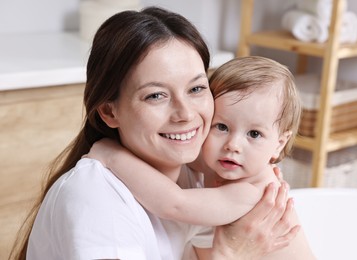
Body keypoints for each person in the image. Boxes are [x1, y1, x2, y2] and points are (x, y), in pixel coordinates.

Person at [9, 7, 299, 260]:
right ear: (110, 112)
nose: (185, 114)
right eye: (156, 96)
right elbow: (174, 203)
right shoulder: (97, 202)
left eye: (196, 89)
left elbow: (176, 203)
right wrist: (231, 255)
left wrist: (111, 153)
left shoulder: (203, 168)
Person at [86, 56, 316, 259]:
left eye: (254, 134)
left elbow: (174, 204)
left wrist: (112, 156)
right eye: (222, 126)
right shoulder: (223, 164)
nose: (233, 145)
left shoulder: (251, 192)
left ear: (279, 144)